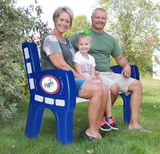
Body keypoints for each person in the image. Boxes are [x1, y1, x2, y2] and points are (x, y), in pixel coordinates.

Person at [40, 6, 110, 140]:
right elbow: (60, 64)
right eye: (61, 19)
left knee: (104, 89)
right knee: (97, 90)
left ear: (70, 24)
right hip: (56, 81)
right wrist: (85, 79)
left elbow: (76, 62)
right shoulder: (50, 39)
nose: (64, 23)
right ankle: (93, 132)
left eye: (67, 21)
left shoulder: (66, 41)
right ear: (55, 19)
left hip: (68, 78)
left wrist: (92, 74)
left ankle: (93, 130)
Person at [69, 8, 144, 131]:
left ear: (106, 20)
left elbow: (119, 57)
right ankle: (102, 119)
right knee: (114, 87)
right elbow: (66, 47)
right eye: (97, 17)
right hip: (94, 74)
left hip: (109, 73)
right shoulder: (82, 34)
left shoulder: (110, 39)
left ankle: (133, 124)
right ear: (92, 18)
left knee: (137, 85)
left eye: (103, 18)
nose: (100, 20)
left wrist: (127, 65)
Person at [74, 30, 118, 130]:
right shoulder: (77, 56)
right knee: (101, 90)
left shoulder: (91, 58)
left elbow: (92, 72)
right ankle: (100, 119)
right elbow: (79, 73)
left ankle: (108, 118)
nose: (84, 46)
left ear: (90, 44)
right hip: (82, 81)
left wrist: (94, 79)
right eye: (81, 44)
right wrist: (91, 81)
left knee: (107, 90)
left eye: (86, 44)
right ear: (77, 44)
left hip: (90, 80)